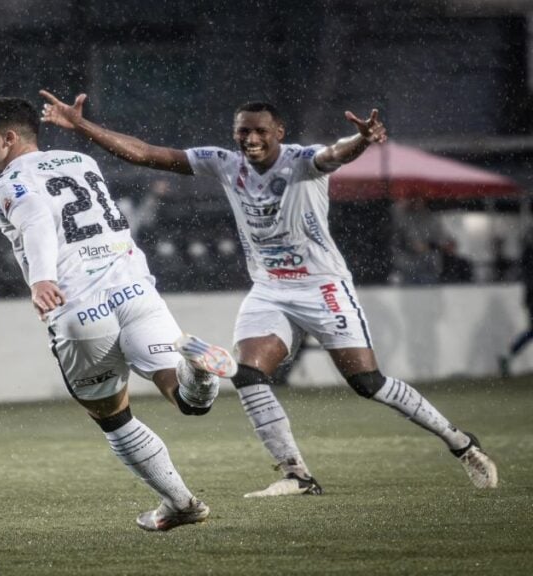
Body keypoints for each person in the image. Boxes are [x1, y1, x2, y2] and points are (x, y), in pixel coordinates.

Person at [39, 90, 498, 495]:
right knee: (247, 374)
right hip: (270, 290)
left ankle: (461, 443)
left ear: (280, 132)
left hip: (323, 287)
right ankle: (296, 474)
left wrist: (361, 140)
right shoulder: (225, 163)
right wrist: (82, 125)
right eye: (243, 131)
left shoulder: (302, 160)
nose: (250, 139)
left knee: (367, 383)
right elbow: (147, 154)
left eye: (260, 131)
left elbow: (334, 154)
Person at [0, 97, 238, 532]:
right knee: (186, 399)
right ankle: (200, 374)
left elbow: (36, 218)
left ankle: (181, 503)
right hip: (136, 291)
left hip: (79, 306)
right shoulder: (80, 161)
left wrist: (41, 279)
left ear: (9, 137)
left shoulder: (4, 185)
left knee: (112, 416)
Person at [499, 228, 533, 377]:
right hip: (532, 298)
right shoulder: (529, 254)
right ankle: (507, 356)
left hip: (530, 298)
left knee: (531, 332)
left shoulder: (528, 253)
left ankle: (507, 356)